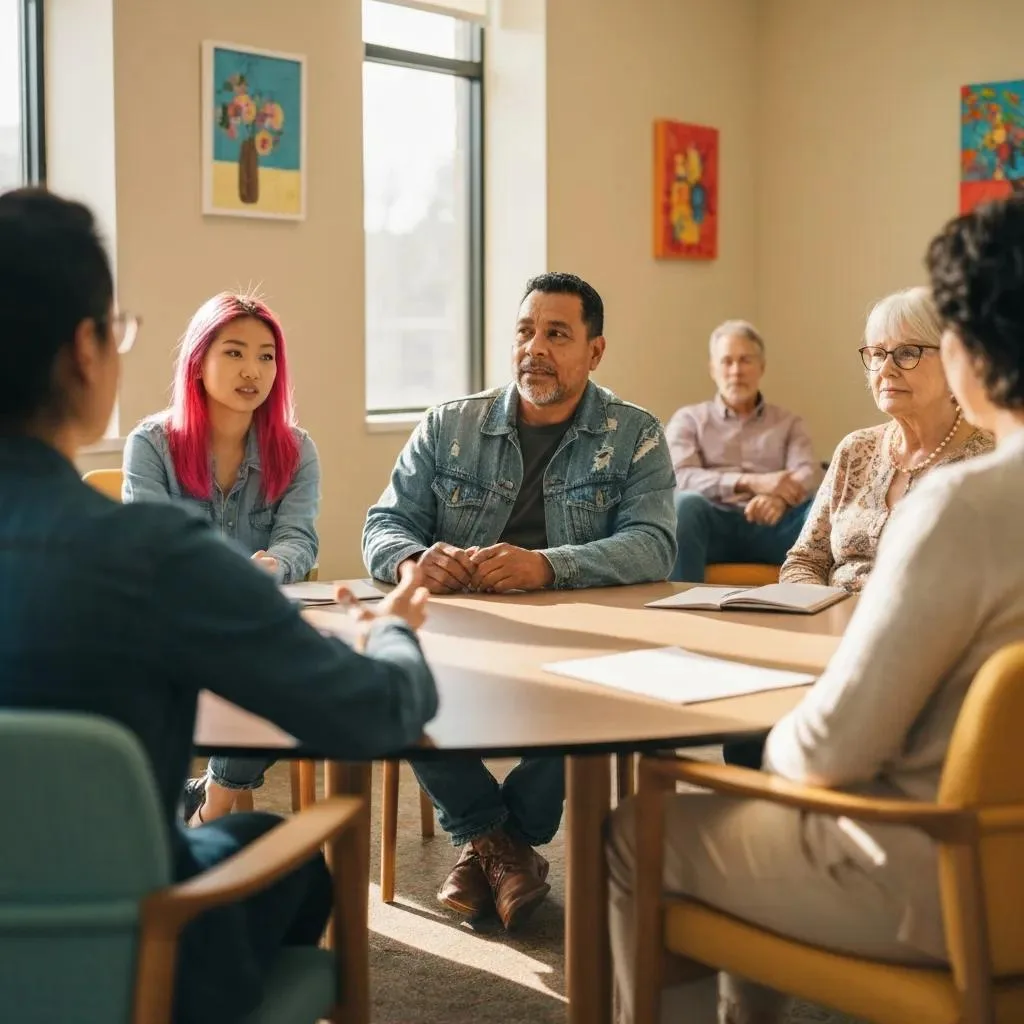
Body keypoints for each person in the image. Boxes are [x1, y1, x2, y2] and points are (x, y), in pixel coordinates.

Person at [0, 187, 437, 1024]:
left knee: (230, 834)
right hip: (133, 964)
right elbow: (378, 713)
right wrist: (390, 636)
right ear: (86, 353)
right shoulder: (155, 558)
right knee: (291, 860)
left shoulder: (250, 480)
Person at [605, 195, 1024, 1024]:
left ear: (964, 353)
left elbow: (829, 753)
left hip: (938, 871)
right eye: (876, 353)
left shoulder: (963, 504)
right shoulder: (885, 464)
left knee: (635, 831)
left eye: (916, 349)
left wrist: (769, 731)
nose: (890, 367)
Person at [363, 271, 676, 930]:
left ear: (595, 351)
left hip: (580, 635)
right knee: (387, 676)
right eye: (525, 331)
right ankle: (504, 846)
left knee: (613, 697)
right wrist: (415, 560)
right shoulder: (450, 424)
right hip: (459, 629)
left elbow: (654, 546)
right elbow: (382, 526)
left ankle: (490, 845)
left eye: (556, 334)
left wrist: (547, 566)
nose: (535, 347)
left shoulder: (636, 434)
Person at [123, 292, 321, 824]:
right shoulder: (152, 444)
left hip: (256, 618)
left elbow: (299, 540)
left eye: (266, 356)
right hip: (171, 622)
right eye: (234, 352)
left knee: (287, 668)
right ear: (198, 361)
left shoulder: (297, 450)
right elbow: (153, 547)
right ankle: (214, 806)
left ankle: (210, 803)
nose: (252, 370)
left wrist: (271, 567)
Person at [781, 286, 992, 593]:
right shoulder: (855, 450)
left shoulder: (989, 461)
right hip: (833, 629)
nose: (886, 369)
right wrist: (825, 613)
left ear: (952, 362)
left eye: (908, 352)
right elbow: (804, 562)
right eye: (877, 353)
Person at [665, 320, 820, 583]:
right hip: (712, 527)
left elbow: (808, 472)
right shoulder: (689, 419)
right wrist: (751, 483)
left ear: (762, 367)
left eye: (745, 360)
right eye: (727, 361)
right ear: (713, 369)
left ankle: (819, 609)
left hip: (775, 528)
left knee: (820, 505)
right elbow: (679, 476)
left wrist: (779, 500)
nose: (736, 371)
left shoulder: (788, 422)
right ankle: (681, 610)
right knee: (685, 504)